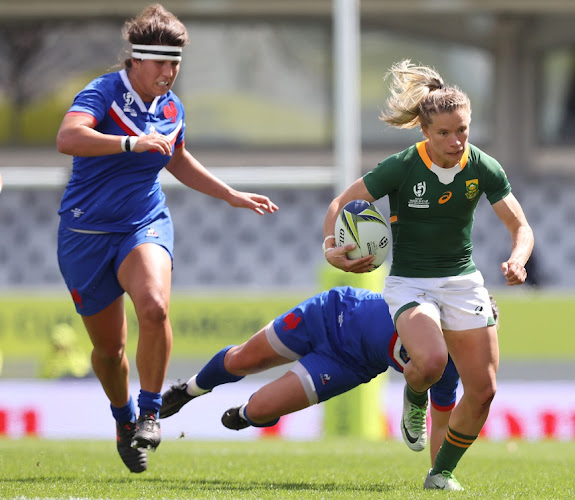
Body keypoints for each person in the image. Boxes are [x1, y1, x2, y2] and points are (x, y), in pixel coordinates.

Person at [55, 4, 278, 474]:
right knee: (109, 351)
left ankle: (151, 411)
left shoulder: (172, 106)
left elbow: (175, 157)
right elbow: (68, 137)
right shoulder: (103, 92)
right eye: (161, 62)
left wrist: (230, 194)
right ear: (134, 60)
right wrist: (127, 143)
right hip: (85, 235)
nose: (169, 72)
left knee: (154, 307)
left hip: (143, 223)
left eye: (175, 63)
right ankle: (123, 421)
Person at [322, 60, 534, 491]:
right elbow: (341, 202)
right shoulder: (401, 166)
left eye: (463, 131)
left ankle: (442, 473)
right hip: (410, 284)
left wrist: (518, 258)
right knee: (433, 362)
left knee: (484, 390)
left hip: (463, 282)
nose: (456, 141)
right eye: (444, 133)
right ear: (424, 132)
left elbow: (521, 227)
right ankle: (414, 396)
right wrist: (331, 248)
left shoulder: (483, 167)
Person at [160, 286, 497, 470]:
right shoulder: (427, 306)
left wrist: (438, 475)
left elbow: (439, 425)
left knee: (260, 409)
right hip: (329, 311)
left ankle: (247, 415)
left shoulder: (448, 368)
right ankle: (188, 390)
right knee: (242, 359)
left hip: (347, 365)